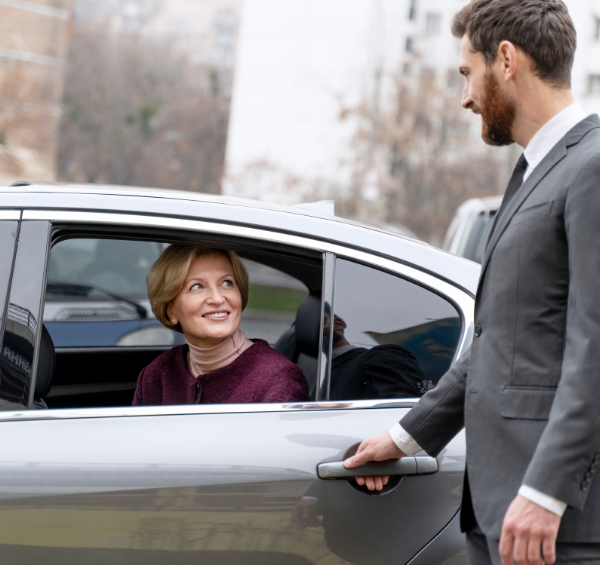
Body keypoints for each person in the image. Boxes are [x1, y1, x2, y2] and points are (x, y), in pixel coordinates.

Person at [344, 2, 600, 565]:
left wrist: (546, 490)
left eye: (467, 73)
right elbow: (502, 341)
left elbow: (595, 348)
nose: (464, 98)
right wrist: (408, 437)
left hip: (557, 523)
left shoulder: (592, 166)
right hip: (499, 511)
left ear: (506, 60)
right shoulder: (537, 169)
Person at [132, 245, 309, 405]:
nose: (217, 299)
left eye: (227, 283)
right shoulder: (156, 376)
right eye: (197, 287)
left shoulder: (278, 381)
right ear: (170, 311)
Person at [326, 314, 427, 400]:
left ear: (338, 324)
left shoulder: (381, 357)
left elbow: (404, 412)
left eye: (313, 320)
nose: (310, 327)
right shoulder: (315, 376)